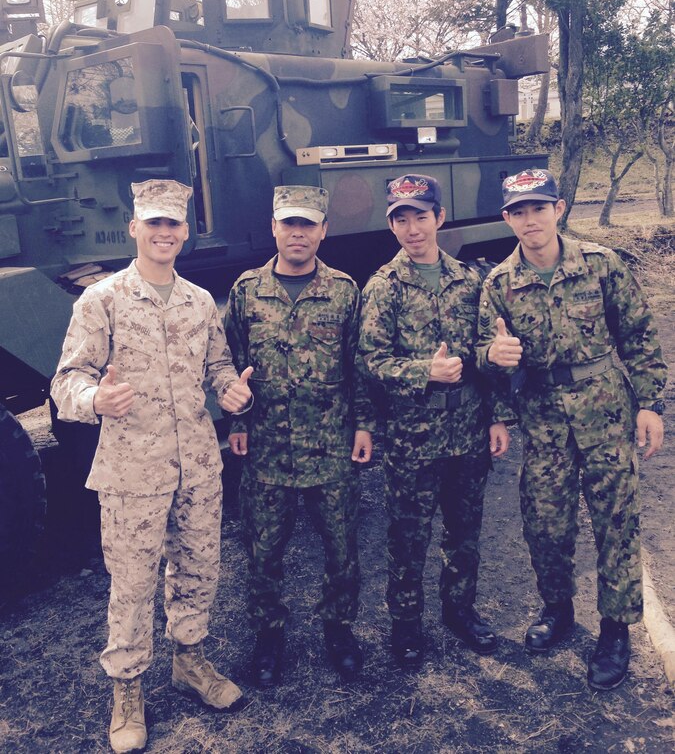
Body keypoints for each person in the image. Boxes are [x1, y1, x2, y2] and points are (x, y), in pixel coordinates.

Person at [51, 179, 253, 754]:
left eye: (173, 224)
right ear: (135, 228)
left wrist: (230, 394)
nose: (163, 233)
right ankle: (128, 690)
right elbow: (67, 381)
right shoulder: (103, 300)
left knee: (198, 570)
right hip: (131, 473)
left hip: (196, 465)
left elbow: (218, 367)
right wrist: (96, 401)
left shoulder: (196, 302)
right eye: (153, 223)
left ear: (185, 232)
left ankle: (189, 662)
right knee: (133, 584)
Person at [476, 167, 667, 690]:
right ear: (507, 219)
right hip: (543, 418)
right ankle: (558, 610)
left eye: (539, 208)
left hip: (605, 408)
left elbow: (640, 335)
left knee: (615, 522)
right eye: (519, 211)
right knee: (545, 524)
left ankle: (614, 631)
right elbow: (483, 355)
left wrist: (650, 405)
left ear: (559, 209)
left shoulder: (601, 266)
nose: (530, 219)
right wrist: (493, 359)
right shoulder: (498, 285)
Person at [224, 185, 375, 688]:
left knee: (341, 548)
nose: (297, 233)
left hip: (330, 447)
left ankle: (339, 629)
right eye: (288, 223)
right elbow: (231, 369)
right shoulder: (247, 291)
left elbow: (360, 367)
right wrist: (239, 424)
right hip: (266, 449)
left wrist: (364, 426)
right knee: (264, 552)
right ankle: (269, 635)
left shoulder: (345, 291)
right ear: (273, 228)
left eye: (308, 224)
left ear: (323, 231)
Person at [358, 173, 510, 668]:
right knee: (407, 538)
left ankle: (459, 612)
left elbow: (488, 354)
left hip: (468, 431)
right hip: (412, 438)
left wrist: (498, 417)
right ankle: (405, 627)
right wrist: (426, 370)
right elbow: (372, 361)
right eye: (401, 219)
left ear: (440, 218)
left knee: (464, 532)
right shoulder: (383, 287)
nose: (412, 228)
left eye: (420, 216)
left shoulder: (470, 281)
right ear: (392, 226)